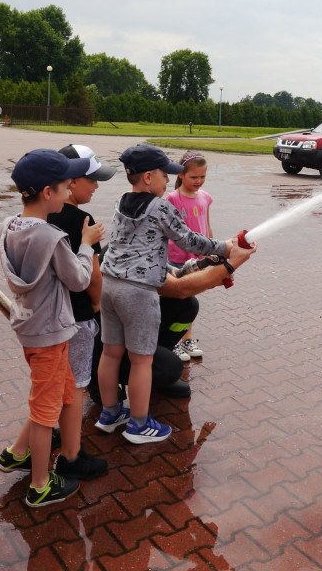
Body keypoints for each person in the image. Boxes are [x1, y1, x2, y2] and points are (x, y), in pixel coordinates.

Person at [96, 144, 231, 444]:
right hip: (138, 293)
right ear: (147, 177)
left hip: (110, 285)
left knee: (111, 352)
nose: (169, 181)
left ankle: (109, 414)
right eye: (164, 176)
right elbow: (190, 240)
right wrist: (224, 248)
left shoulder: (122, 201)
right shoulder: (159, 207)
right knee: (142, 360)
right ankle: (139, 425)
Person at [0, 149, 104, 508]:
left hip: (31, 328)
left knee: (65, 392)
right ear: (47, 192)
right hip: (50, 335)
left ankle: (16, 454)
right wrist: (86, 247)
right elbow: (78, 280)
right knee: (45, 413)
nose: (67, 191)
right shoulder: (52, 236)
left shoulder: (11, 226)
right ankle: (40, 485)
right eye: (63, 187)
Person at [89, 237, 257, 403]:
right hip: (106, 344)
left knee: (187, 306)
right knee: (171, 368)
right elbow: (178, 288)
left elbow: (176, 276)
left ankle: (154, 373)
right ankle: (98, 379)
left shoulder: (144, 243)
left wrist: (208, 272)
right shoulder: (129, 254)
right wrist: (230, 265)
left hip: (131, 327)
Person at [47, 144, 116, 480]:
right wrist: (97, 305)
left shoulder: (42, 214)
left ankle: (27, 446)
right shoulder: (83, 222)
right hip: (77, 317)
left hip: (49, 318)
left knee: (53, 382)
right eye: (92, 180)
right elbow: (94, 277)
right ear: (71, 182)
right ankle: (71, 457)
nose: (97, 186)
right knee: (74, 386)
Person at [166, 151, 212, 360]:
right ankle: (170, 341)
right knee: (176, 302)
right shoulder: (172, 198)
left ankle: (186, 340)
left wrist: (212, 249)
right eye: (194, 177)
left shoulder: (205, 198)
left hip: (197, 260)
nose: (199, 181)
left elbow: (207, 226)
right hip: (176, 259)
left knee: (189, 303)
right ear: (181, 175)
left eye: (202, 177)